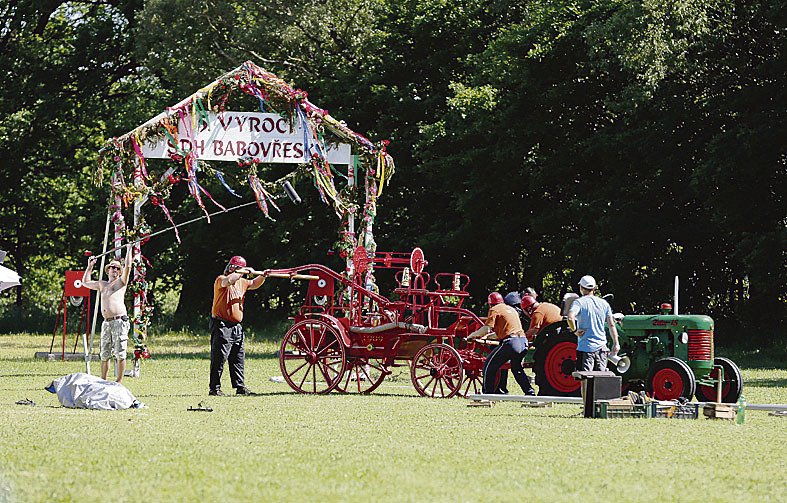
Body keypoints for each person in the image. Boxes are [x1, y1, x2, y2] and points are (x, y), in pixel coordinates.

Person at [209, 255, 268, 396]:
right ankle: (214, 389)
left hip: (236, 326)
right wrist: (242, 271)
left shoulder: (242, 282)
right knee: (219, 357)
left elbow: (254, 283)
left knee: (238, 357)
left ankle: (240, 387)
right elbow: (229, 280)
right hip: (222, 324)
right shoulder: (221, 280)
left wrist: (264, 275)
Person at [468, 292, 536, 395]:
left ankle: (487, 394)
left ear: (490, 304)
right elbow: (505, 330)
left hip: (511, 343)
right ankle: (530, 392)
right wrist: (488, 337)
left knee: (488, 366)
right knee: (516, 368)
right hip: (523, 342)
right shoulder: (511, 309)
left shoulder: (494, 309)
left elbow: (486, 329)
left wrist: (472, 335)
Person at [82, 246, 133, 383]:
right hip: (106, 322)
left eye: (117, 268)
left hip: (119, 321)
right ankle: (103, 381)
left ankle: (119, 382)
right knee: (104, 354)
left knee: (120, 353)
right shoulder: (102, 284)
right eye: (112, 267)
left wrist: (129, 249)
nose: (115, 270)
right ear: (107, 270)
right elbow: (85, 282)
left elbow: (128, 266)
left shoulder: (121, 283)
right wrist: (90, 266)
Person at [567, 275, 620, 371]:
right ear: (594, 288)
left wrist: (575, 330)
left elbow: (570, 318)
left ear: (581, 288)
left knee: (584, 379)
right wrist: (616, 343)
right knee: (600, 380)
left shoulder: (579, 303)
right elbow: (612, 325)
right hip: (602, 348)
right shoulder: (604, 303)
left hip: (585, 348)